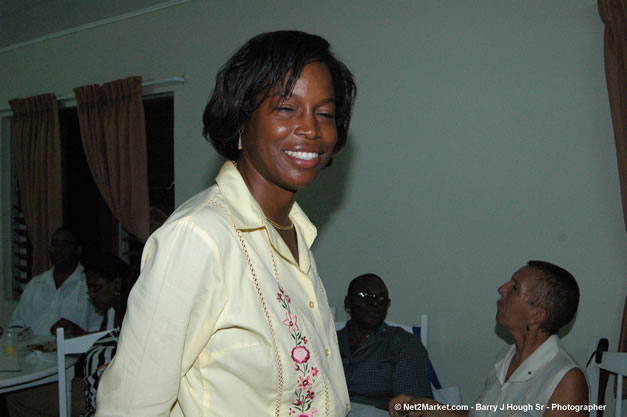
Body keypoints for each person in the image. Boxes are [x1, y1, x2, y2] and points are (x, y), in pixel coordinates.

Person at [96, 30, 357, 416]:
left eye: (325, 113)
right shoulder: (199, 238)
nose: (311, 129)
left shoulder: (293, 233)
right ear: (240, 120)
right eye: (286, 108)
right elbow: (129, 409)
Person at [389, 261, 588, 417]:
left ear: (536, 315)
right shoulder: (507, 357)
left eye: (515, 288)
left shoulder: (566, 380)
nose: (502, 289)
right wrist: (427, 406)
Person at [338, 273, 431, 410]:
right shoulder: (329, 342)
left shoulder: (403, 343)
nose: (375, 303)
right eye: (365, 296)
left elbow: (414, 407)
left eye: (381, 298)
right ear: (348, 302)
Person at [9, 227, 102, 337]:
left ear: (78, 250)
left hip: (72, 352)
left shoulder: (89, 285)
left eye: (65, 245)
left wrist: (79, 334)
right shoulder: (36, 284)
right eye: (54, 244)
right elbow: (18, 323)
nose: (58, 250)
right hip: (31, 352)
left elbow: (98, 334)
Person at [81, 254, 134, 417]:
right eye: (89, 290)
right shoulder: (111, 312)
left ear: (116, 284)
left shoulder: (128, 313)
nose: (92, 295)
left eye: (97, 288)